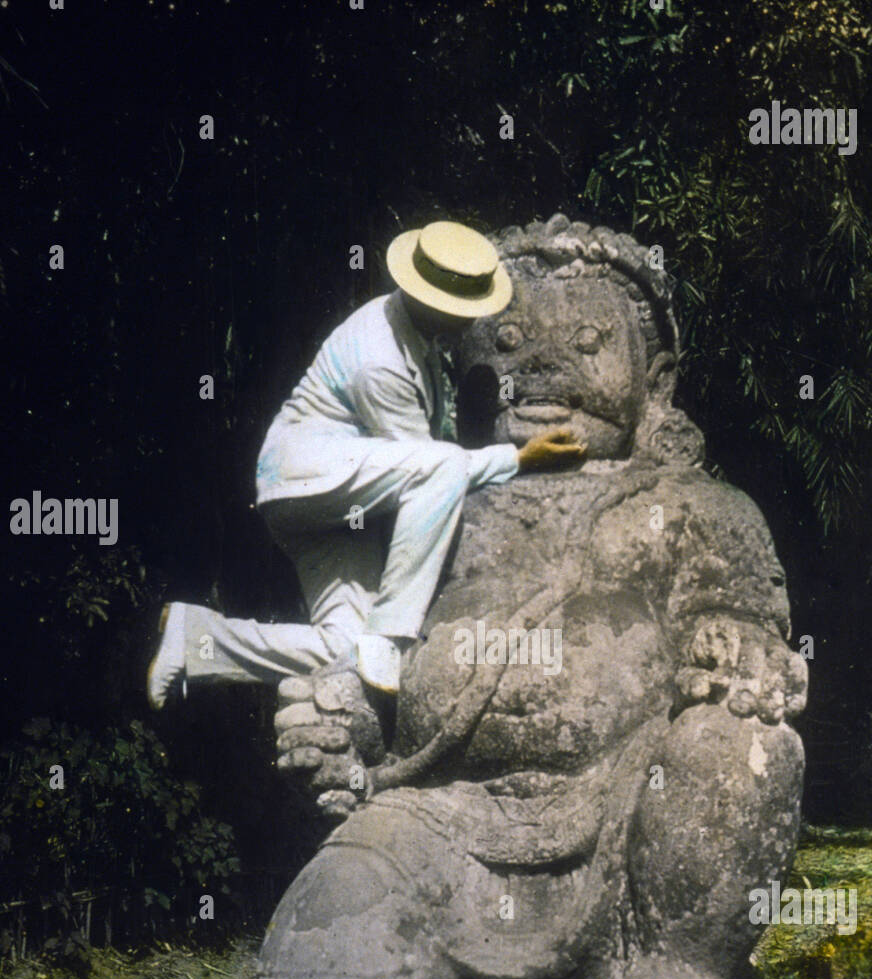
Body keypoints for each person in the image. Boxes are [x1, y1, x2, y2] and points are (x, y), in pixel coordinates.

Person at [147, 220, 585, 708]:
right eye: (465, 310)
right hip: (307, 479)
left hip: (336, 505)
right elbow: (433, 468)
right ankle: (390, 635)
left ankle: (197, 639)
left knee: (345, 648)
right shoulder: (379, 359)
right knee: (440, 471)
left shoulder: (415, 332)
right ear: (433, 302)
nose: (472, 321)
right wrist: (517, 457)